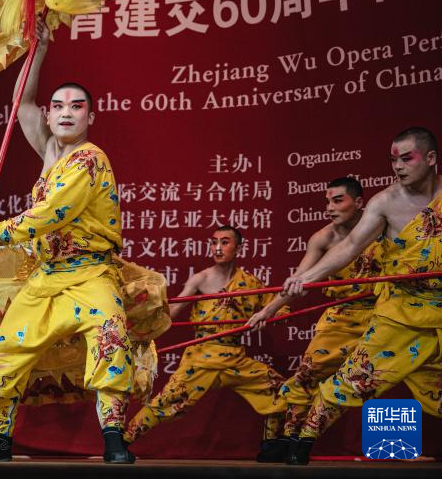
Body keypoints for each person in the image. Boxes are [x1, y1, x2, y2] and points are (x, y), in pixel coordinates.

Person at [0, 23, 136, 463]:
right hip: (47, 277)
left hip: (91, 274)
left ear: (91, 117)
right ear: (50, 117)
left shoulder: (90, 159)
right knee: (6, 349)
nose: (66, 112)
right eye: (58, 107)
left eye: (77, 106)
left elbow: (53, 213)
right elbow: (22, 104)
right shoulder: (50, 152)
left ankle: (114, 439)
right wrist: (40, 51)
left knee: (110, 337)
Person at [281, 127, 442, 465]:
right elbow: (350, 246)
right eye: (393, 160)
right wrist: (305, 279)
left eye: (407, 158)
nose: (398, 166)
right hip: (399, 311)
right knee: (356, 378)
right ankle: (304, 438)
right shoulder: (385, 203)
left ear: (430, 158)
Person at [122, 226, 288, 460]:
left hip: (235, 357)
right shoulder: (201, 279)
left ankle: (271, 447)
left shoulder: (250, 282)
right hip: (202, 357)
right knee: (166, 402)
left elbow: (278, 308)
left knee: (282, 391)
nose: (217, 248)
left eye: (225, 242)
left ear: (239, 248)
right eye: (214, 242)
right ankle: (121, 442)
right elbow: (173, 311)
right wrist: (140, 323)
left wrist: (267, 316)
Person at [246, 177, 383, 449]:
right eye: (327, 201)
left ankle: (397, 446)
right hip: (342, 316)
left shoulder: (381, 225)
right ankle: (291, 440)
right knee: (307, 374)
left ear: (359, 202)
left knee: (402, 370)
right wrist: (267, 311)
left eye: (338, 200)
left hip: (384, 311)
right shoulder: (323, 239)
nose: (330, 207)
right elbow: (299, 280)